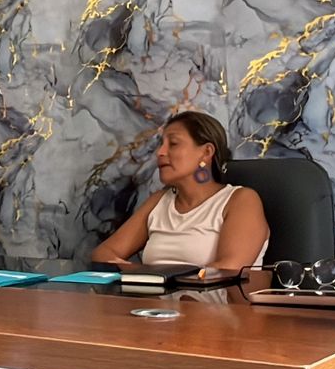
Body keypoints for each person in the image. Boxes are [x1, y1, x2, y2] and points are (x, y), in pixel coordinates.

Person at [90, 111, 269, 270]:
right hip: (156, 298)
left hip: (218, 298)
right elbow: (103, 254)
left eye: (173, 143)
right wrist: (143, 275)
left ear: (206, 152)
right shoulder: (159, 201)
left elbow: (229, 269)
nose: (160, 152)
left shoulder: (241, 200)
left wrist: (159, 278)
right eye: (161, 144)